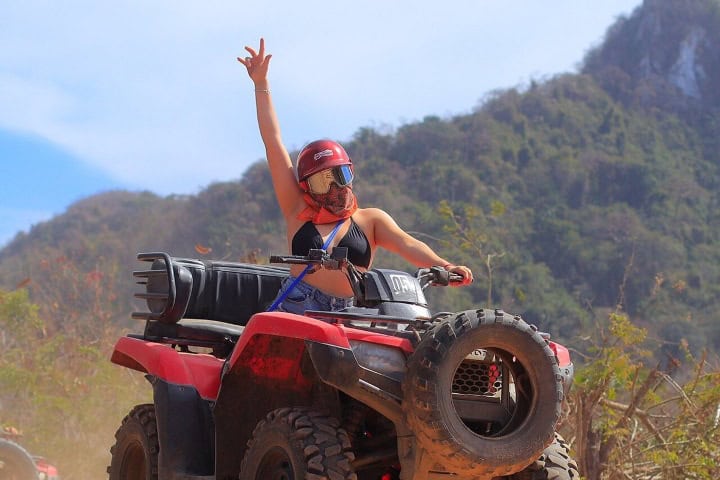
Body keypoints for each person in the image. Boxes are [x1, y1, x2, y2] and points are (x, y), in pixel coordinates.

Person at [238, 38, 473, 314]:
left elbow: (407, 243)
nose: (336, 187)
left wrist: (444, 266)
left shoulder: (371, 220)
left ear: (351, 173)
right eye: (322, 181)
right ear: (307, 188)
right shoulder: (297, 208)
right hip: (299, 305)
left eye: (340, 174)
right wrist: (261, 84)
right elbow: (274, 142)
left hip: (350, 313)